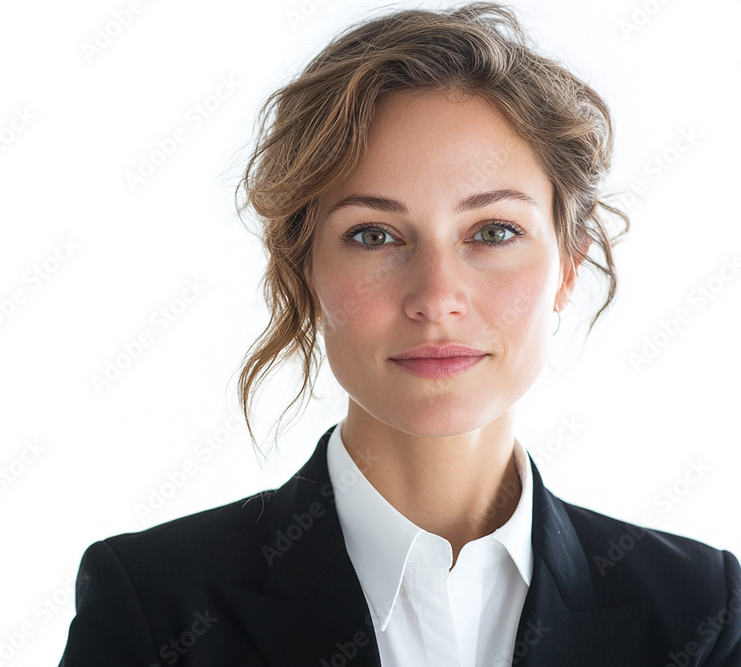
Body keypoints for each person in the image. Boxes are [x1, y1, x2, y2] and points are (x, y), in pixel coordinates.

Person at [59, 3, 740, 665]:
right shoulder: (155, 606)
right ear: (304, 272)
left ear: (570, 263)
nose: (437, 298)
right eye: (374, 235)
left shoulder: (701, 609)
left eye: (494, 231)